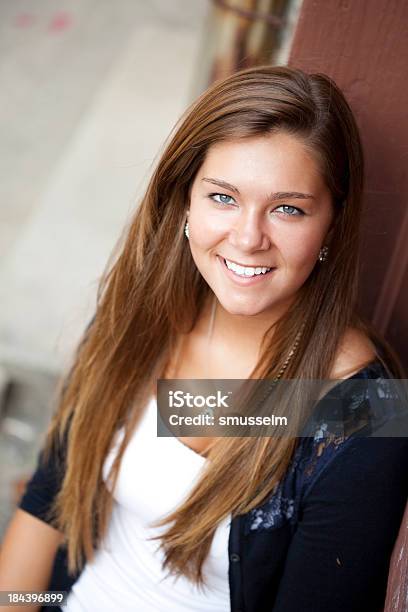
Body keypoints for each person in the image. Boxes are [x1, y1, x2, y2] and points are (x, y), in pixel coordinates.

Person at [0, 65, 407, 612]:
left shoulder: (362, 410)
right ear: (185, 200)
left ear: (332, 223)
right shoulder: (139, 317)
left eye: (288, 208)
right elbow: (50, 501)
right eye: (223, 197)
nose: (247, 238)